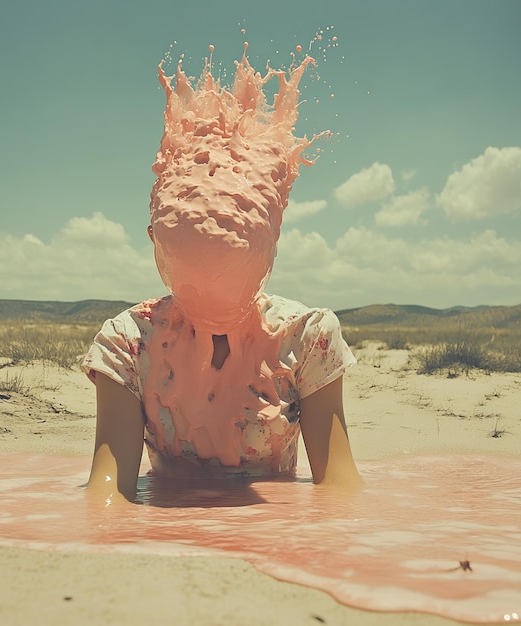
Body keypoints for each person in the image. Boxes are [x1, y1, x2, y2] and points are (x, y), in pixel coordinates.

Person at [82, 49, 361, 504]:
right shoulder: (128, 344)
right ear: (158, 247)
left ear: (270, 242)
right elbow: (108, 494)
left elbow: (339, 487)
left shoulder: (309, 339)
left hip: (274, 545)